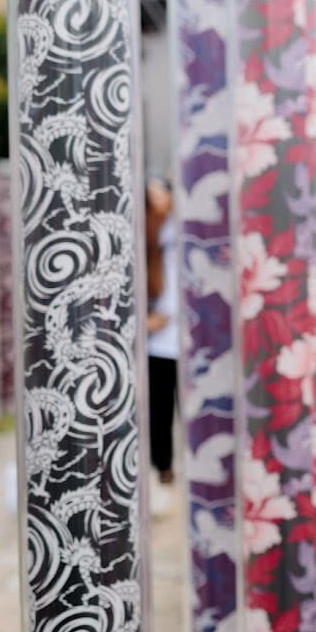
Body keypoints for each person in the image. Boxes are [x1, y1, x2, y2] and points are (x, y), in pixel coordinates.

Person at [145, 179, 179, 505]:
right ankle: (162, 468)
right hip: (158, 342)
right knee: (159, 410)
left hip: (190, 342)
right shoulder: (147, 236)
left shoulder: (184, 233)